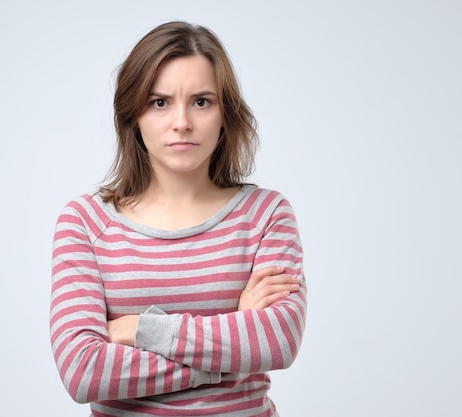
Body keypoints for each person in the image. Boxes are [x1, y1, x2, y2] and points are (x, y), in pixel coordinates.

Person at [50, 21, 306, 417]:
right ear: (133, 114)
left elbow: (279, 342)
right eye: (160, 102)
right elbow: (84, 373)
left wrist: (140, 330)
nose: (182, 122)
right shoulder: (85, 222)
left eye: (201, 101)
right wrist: (232, 346)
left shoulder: (266, 215)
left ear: (226, 113)